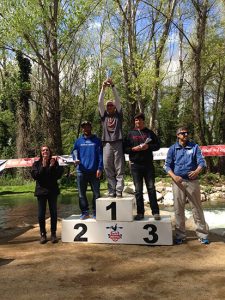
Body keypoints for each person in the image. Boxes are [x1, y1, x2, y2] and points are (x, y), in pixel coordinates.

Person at [164, 126, 209, 245]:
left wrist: (197, 171)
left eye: (187, 133)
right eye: (183, 133)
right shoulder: (173, 149)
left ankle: (202, 234)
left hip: (192, 182)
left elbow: (201, 162)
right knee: (178, 209)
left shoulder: (194, 147)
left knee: (197, 208)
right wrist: (174, 177)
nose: (185, 135)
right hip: (177, 183)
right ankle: (180, 235)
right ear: (177, 135)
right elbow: (167, 166)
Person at [124, 113, 161, 221]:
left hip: (148, 165)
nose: (138, 122)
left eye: (140, 120)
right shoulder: (130, 133)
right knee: (138, 190)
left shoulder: (149, 133)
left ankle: (155, 212)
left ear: (143, 121)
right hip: (135, 165)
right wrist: (133, 149)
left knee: (151, 188)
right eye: (136, 120)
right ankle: (140, 213)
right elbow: (125, 149)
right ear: (134, 122)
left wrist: (148, 146)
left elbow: (158, 145)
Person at [31, 145, 63, 244]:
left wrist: (52, 167)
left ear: (50, 152)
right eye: (43, 150)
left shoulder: (55, 163)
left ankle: (53, 234)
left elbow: (57, 176)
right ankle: (43, 234)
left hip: (52, 191)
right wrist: (44, 167)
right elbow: (36, 176)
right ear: (41, 152)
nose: (45, 151)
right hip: (41, 192)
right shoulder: (36, 164)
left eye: (47, 150)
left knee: (53, 213)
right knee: (41, 215)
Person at [98, 78, 125, 198]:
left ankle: (119, 190)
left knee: (119, 168)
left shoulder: (118, 115)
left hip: (118, 142)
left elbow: (118, 100)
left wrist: (113, 86)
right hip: (106, 144)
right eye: (107, 105)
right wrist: (103, 88)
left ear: (114, 107)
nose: (109, 107)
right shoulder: (103, 116)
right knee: (107, 167)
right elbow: (99, 103)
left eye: (111, 105)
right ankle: (111, 190)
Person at [71, 121, 103, 220]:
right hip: (81, 171)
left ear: (91, 127)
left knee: (97, 194)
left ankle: (95, 212)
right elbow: (74, 152)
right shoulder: (78, 141)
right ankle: (85, 212)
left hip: (94, 171)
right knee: (81, 194)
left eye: (88, 126)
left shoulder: (97, 140)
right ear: (82, 129)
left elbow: (101, 156)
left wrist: (100, 168)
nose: (86, 129)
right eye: (84, 127)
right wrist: (74, 159)